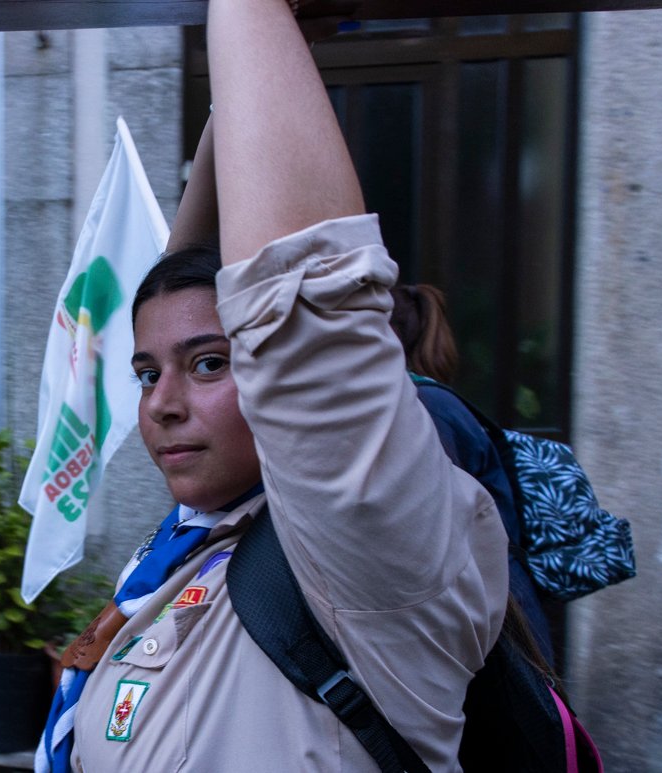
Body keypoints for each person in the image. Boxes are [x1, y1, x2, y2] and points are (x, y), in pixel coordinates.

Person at [38, 0, 509, 770]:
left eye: (211, 363)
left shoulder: (360, 551)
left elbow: (300, 319)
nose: (161, 405)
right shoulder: (200, 536)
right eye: (148, 373)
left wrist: (246, 10)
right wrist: (250, 77)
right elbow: (179, 292)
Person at [390, 283, 556, 664]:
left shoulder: (426, 408)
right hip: (498, 606)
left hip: (497, 617)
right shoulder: (431, 403)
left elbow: (436, 530)